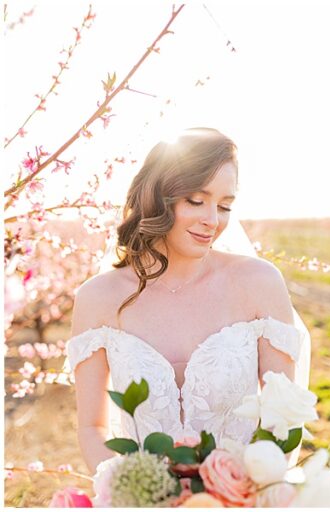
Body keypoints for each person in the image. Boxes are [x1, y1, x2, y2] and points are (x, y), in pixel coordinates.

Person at [67, 128, 302, 473]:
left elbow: (281, 419)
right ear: (157, 198)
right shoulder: (97, 298)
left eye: (224, 206)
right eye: (196, 200)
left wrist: (237, 491)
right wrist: (132, 492)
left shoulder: (259, 284)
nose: (212, 220)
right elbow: (92, 428)